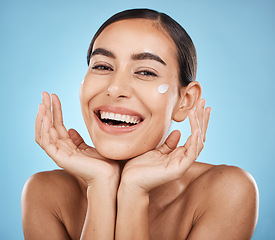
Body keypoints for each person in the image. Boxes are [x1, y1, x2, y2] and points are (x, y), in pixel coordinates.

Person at [21, 8, 258, 240]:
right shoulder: (44, 193)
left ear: (185, 101)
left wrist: (134, 193)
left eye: (145, 72)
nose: (115, 89)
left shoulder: (227, 191)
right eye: (102, 66)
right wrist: (101, 186)